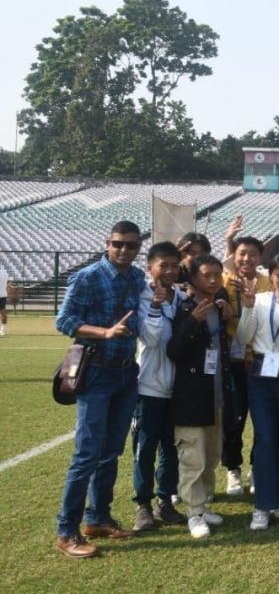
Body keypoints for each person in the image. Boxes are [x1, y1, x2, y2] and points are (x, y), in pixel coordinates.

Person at [54, 221, 145, 558]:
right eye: (118, 244)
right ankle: (67, 531)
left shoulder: (137, 277)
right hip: (96, 372)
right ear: (107, 243)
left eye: (131, 245)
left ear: (138, 248)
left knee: (111, 451)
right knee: (87, 454)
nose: (123, 250)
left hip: (126, 373)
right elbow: (64, 321)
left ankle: (98, 518)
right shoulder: (87, 277)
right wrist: (104, 332)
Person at [167, 255, 237, 539]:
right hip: (191, 395)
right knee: (193, 456)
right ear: (194, 278)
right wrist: (192, 322)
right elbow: (173, 350)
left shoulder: (219, 307)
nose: (213, 280)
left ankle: (204, 504)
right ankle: (193, 512)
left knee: (211, 453)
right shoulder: (183, 308)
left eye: (217, 275)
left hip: (216, 393)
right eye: (206, 275)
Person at [235, 253, 279, 531]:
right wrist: (248, 308)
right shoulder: (260, 300)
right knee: (265, 437)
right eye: (278, 275)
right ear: (271, 276)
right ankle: (262, 506)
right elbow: (243, 337)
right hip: (261, 374)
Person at [131, 242, 185, 532]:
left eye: (174, 266)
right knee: (145, 447)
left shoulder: (183, 297)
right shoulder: (141, 297)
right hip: (148, 386)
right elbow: (151, 339)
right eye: (164, 265)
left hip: (178, 387)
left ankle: (166, 501)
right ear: (150, 267)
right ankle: (143, 505)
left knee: (171, 448)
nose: (170, 271)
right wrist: (154, 305)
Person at [221, 235, 271, 496]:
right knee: (234, 419)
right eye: (242, 253)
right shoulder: (224, 281)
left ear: (260, 257)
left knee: (262, 418)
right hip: (234, 361)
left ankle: (255, 466)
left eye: (252, 254)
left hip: (261, 360)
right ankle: (233, 469)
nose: (247, 258)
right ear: (234, 256)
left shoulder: (268, 282)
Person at [0, 262, 9, 336]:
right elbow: (7, 282)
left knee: (3, 311)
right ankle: (3, 328)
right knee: (3, 311)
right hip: (3, 294)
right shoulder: (5, 272)